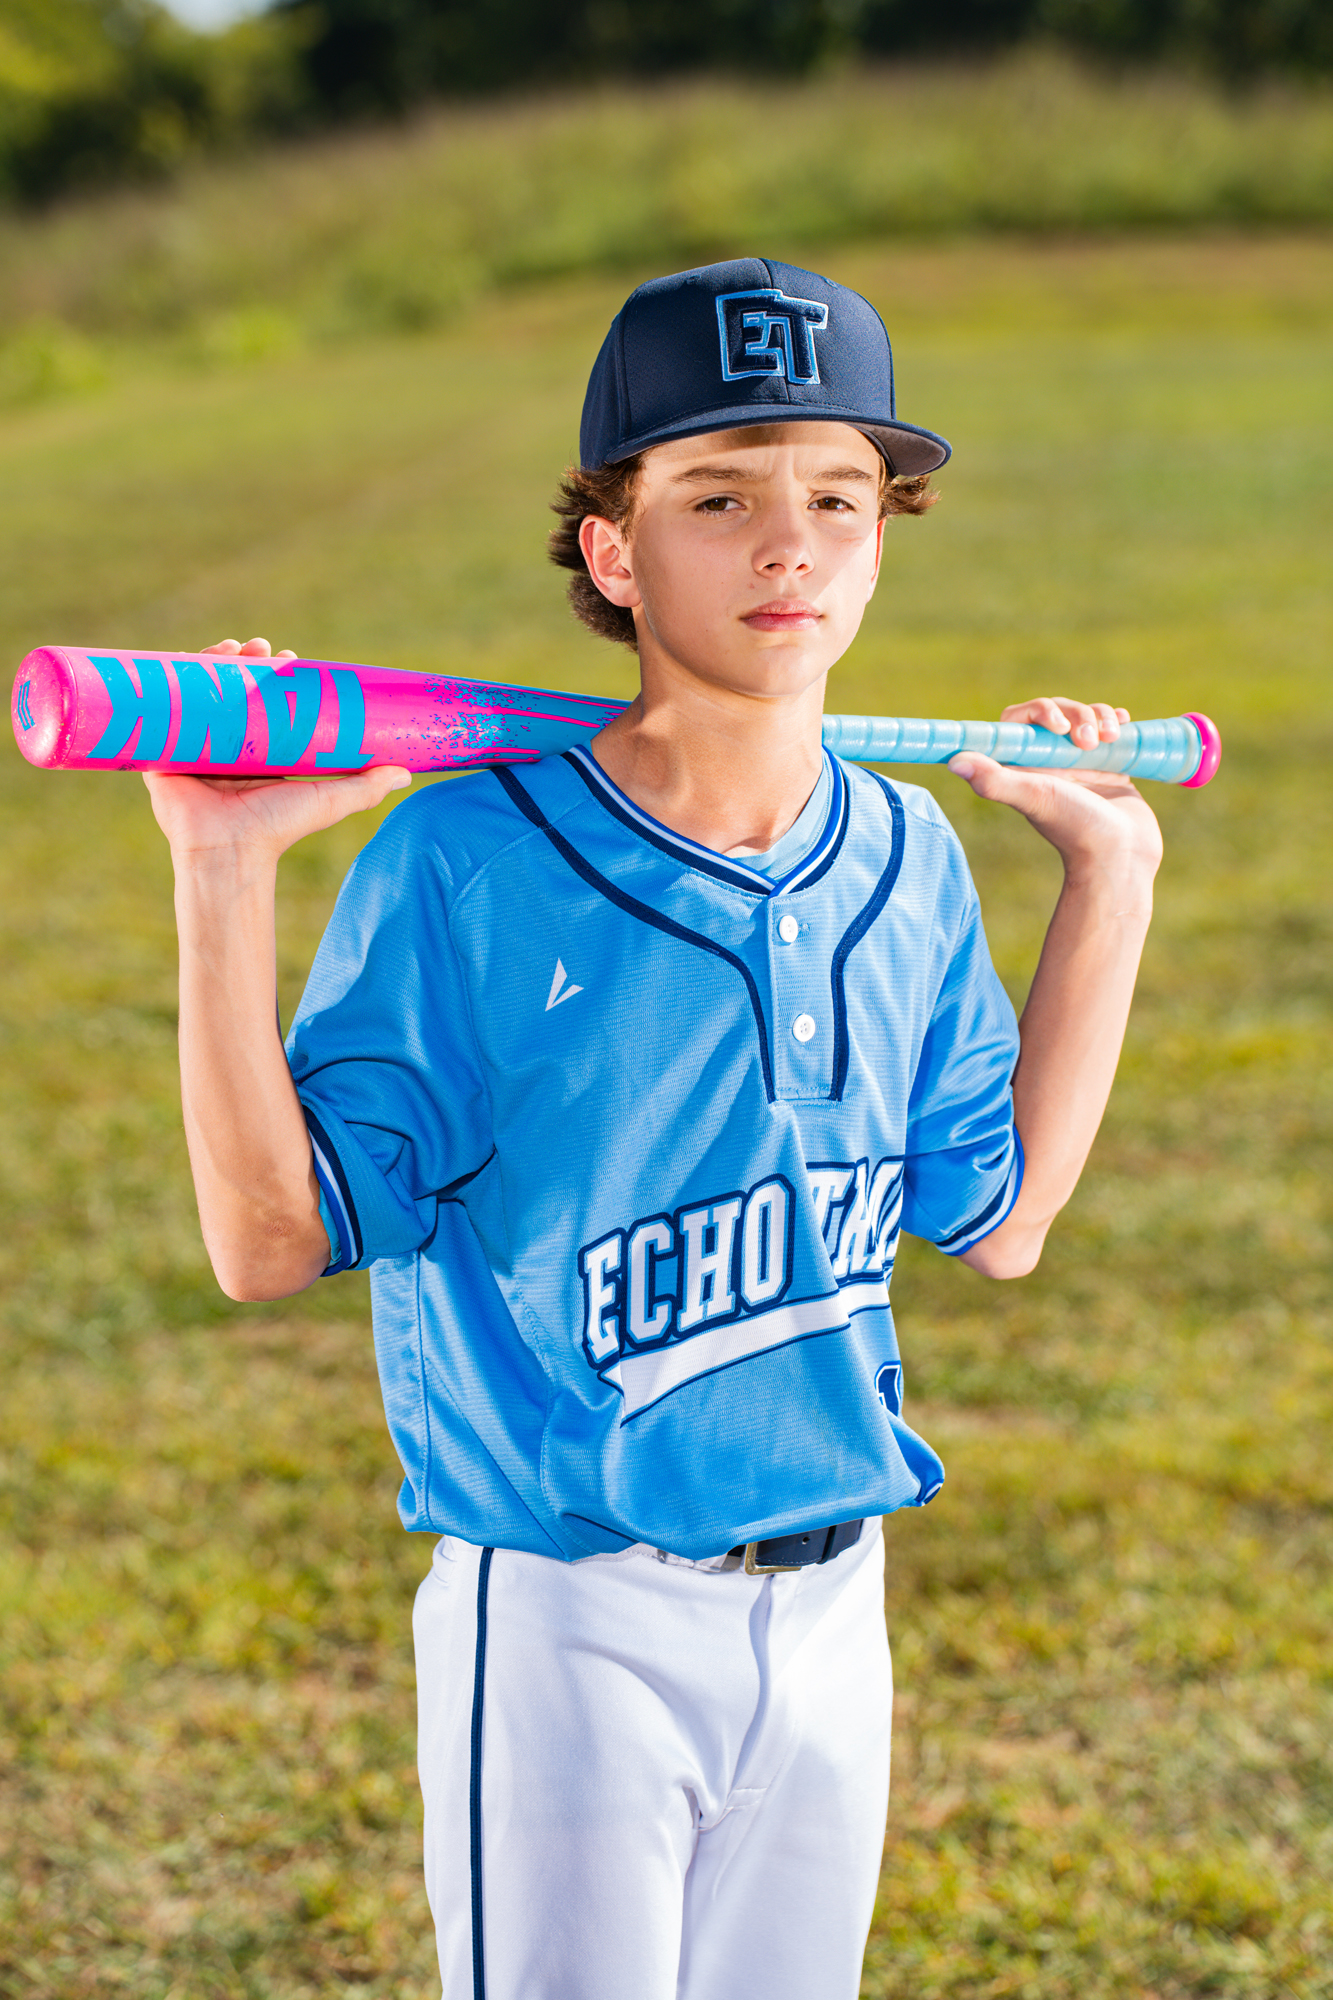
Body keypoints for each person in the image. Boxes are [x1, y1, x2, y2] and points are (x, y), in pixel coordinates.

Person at [145, 258, 1162, 2000]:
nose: (788, 547)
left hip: (838, 1603)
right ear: (612, 553)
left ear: (882, 538)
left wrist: (1110, 880)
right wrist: (224, 871)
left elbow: (1000, 1222)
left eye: (837, 499)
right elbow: (265, 1243)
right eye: (718, 498)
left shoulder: (907, 854)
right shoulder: (467, 857)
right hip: (571, 1617)